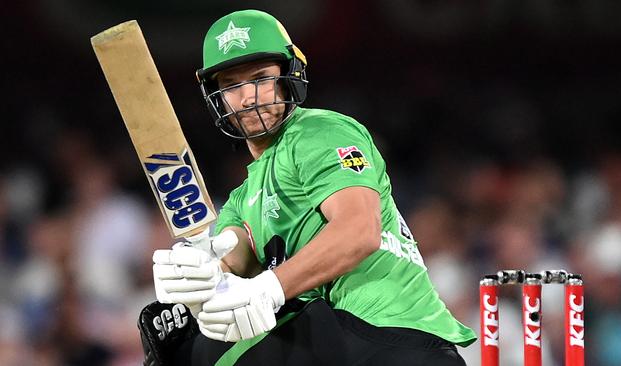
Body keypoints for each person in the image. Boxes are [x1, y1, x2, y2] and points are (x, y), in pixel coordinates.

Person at [138, 9, 476, 366]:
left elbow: (360, 231)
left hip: (389, 336)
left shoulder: (319, 134)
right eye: (232, 85)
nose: (248, 97)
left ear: (289, 76)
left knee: (201, 355)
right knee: (190, 345)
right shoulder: (241, 200)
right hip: (336, 340)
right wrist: (196, 279)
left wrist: (268, 289)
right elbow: (231, 263)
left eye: (260, 78)